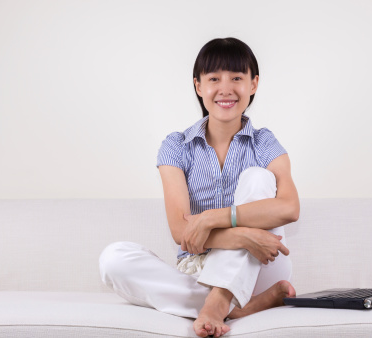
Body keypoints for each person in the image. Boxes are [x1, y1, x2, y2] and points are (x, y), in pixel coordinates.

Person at [98, 37, 299, 338]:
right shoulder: (176, 146)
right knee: (113, 259)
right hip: (200, 268)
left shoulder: (264, 142)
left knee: (258, 178)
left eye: (236, 78)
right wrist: (244, 236)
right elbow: (182, 232)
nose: (225, 88)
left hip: (262, 264)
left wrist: (210, 219)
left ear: (253, 84)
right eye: (214, 78)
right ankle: (241, 306)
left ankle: (218, 303)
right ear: (198, 86)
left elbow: (289, 208)